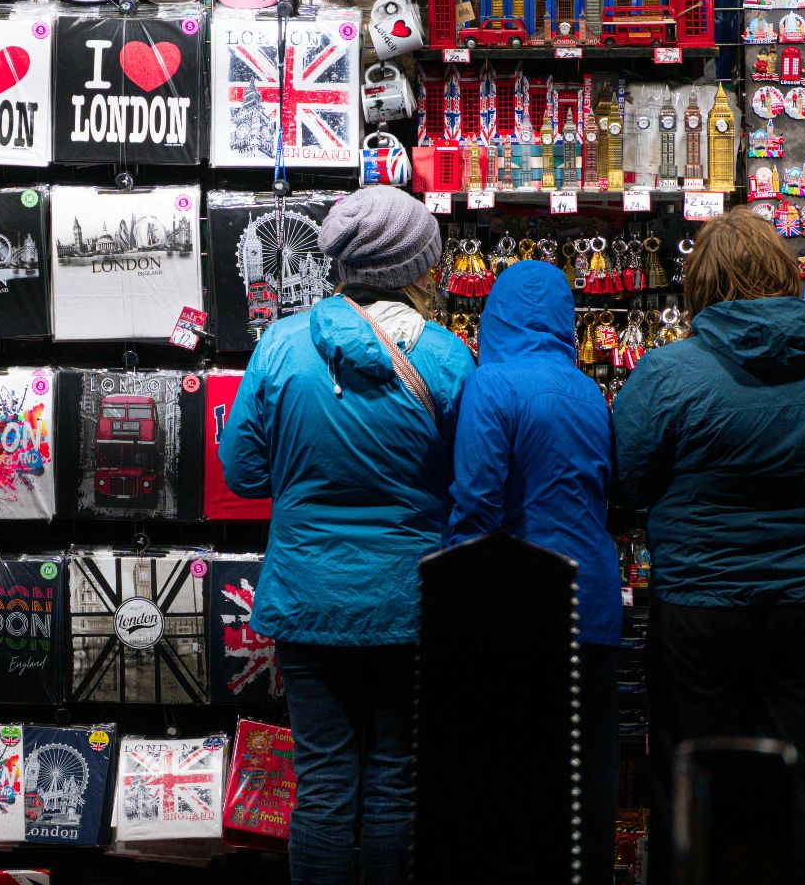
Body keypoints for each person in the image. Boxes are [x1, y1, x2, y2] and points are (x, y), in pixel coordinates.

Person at [611, 210, 805, 883]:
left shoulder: (668, 370)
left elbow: (628, 477)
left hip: (701, 604)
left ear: (701, 283)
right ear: (784, 271)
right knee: (801, 772)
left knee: (692, 773)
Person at [220, 185, 475, 885]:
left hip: (308, 597)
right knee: (394, 780)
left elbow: (242, 472)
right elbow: (472, 484)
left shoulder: (281, 345)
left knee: (325, 784)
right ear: (417, 268)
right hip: (407, 601)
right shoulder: (449, 360)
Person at [447, 258, 620, 882]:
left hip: (521, 609)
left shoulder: (492, 386)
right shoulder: (587, 391)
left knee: (513, 783)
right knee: (588, 780)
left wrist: (456, 598)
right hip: (594, 606)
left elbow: (475, 502)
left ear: (493, 316)